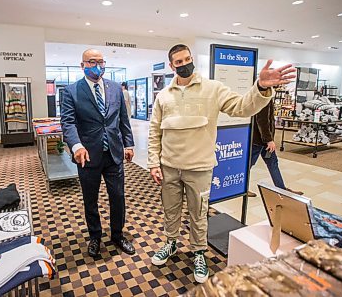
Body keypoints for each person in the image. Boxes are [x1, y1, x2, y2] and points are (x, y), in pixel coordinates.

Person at [147, 44, 296, 283]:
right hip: (169, 167)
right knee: (170, 210)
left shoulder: (213, 89)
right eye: (179, 62)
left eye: (188, 59)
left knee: (199, 213)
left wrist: (260, 87)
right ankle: (171, 243)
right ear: (171, 65)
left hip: (200, 167)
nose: (185, 64)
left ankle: (198, 252)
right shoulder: (164, 96)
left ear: (192, 59)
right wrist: (154, 163)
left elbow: (242, 107)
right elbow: (155, 131)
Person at [61, 49, 136, 258]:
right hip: (87, 155)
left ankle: (117, 234)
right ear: (82, 65)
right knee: (90, 199)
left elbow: (123, 119)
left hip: (113, 153)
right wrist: (76, 146)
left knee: (118, 196)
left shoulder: (114, 88)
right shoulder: (71, 91)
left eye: (101, 62)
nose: (97, 65)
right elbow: (68, 122)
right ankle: (95, 236)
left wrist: (128, 144)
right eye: (92, 62)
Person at [247, 98, 304, 196]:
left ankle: (281, 189)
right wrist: (268, 140)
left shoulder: (266, 96)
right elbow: (262, 120)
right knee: (249, 165)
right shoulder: (263, 97)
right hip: (260, 141)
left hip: (264, 140)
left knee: (273, 163)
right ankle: (241, 188)